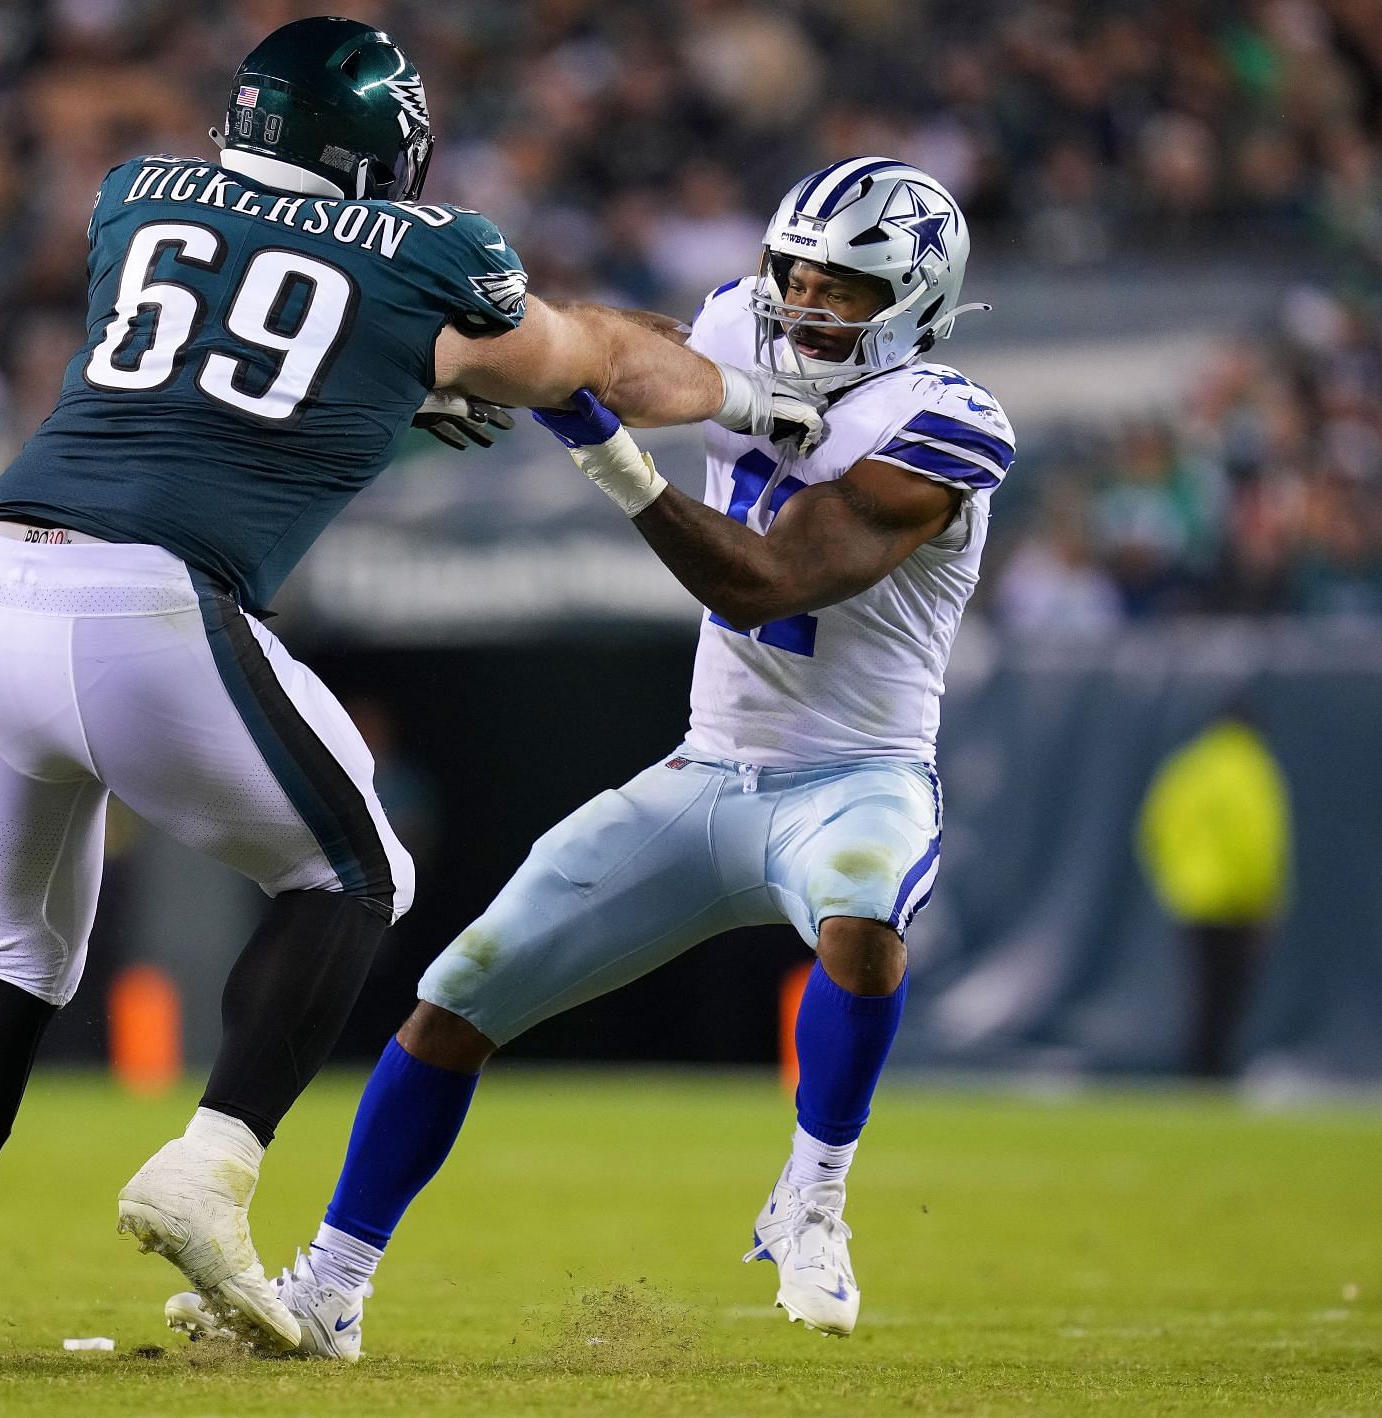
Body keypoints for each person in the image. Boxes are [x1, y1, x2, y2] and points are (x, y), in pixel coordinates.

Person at [0, 16, 815, 1364]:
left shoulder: (138, 196)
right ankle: (214, 1160)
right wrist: (752, 393)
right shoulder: (434, 255)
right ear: (382, 147)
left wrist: (384, 387)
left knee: (12, 957)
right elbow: (583, 357)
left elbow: (222, 357)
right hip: (143, 601)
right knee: (359, 877)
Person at [171, 157, 1009, 1357]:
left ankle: (813, 1196)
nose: (811, 306)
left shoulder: (946, 425)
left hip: (853, 775)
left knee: (863, 918)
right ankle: (329, 1285)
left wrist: (610, 457)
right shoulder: (737, 323)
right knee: (457, 995)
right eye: (799, 275)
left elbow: (760, 576)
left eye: (848, 290)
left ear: (919, 304)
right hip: (706, 772)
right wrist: (467, 357)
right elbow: (608, 350)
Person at [1135, 707, 1290, 1078]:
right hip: (1237, 903)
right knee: (1229, 994)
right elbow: (1259, 839)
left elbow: (1156, 826)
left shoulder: (1190, 766)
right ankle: (1214, 1073)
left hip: (1192, 899)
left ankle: (1198, 1070)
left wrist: (1176, 879)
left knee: (1200, 991)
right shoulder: (1251, 768)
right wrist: (1263, 897)